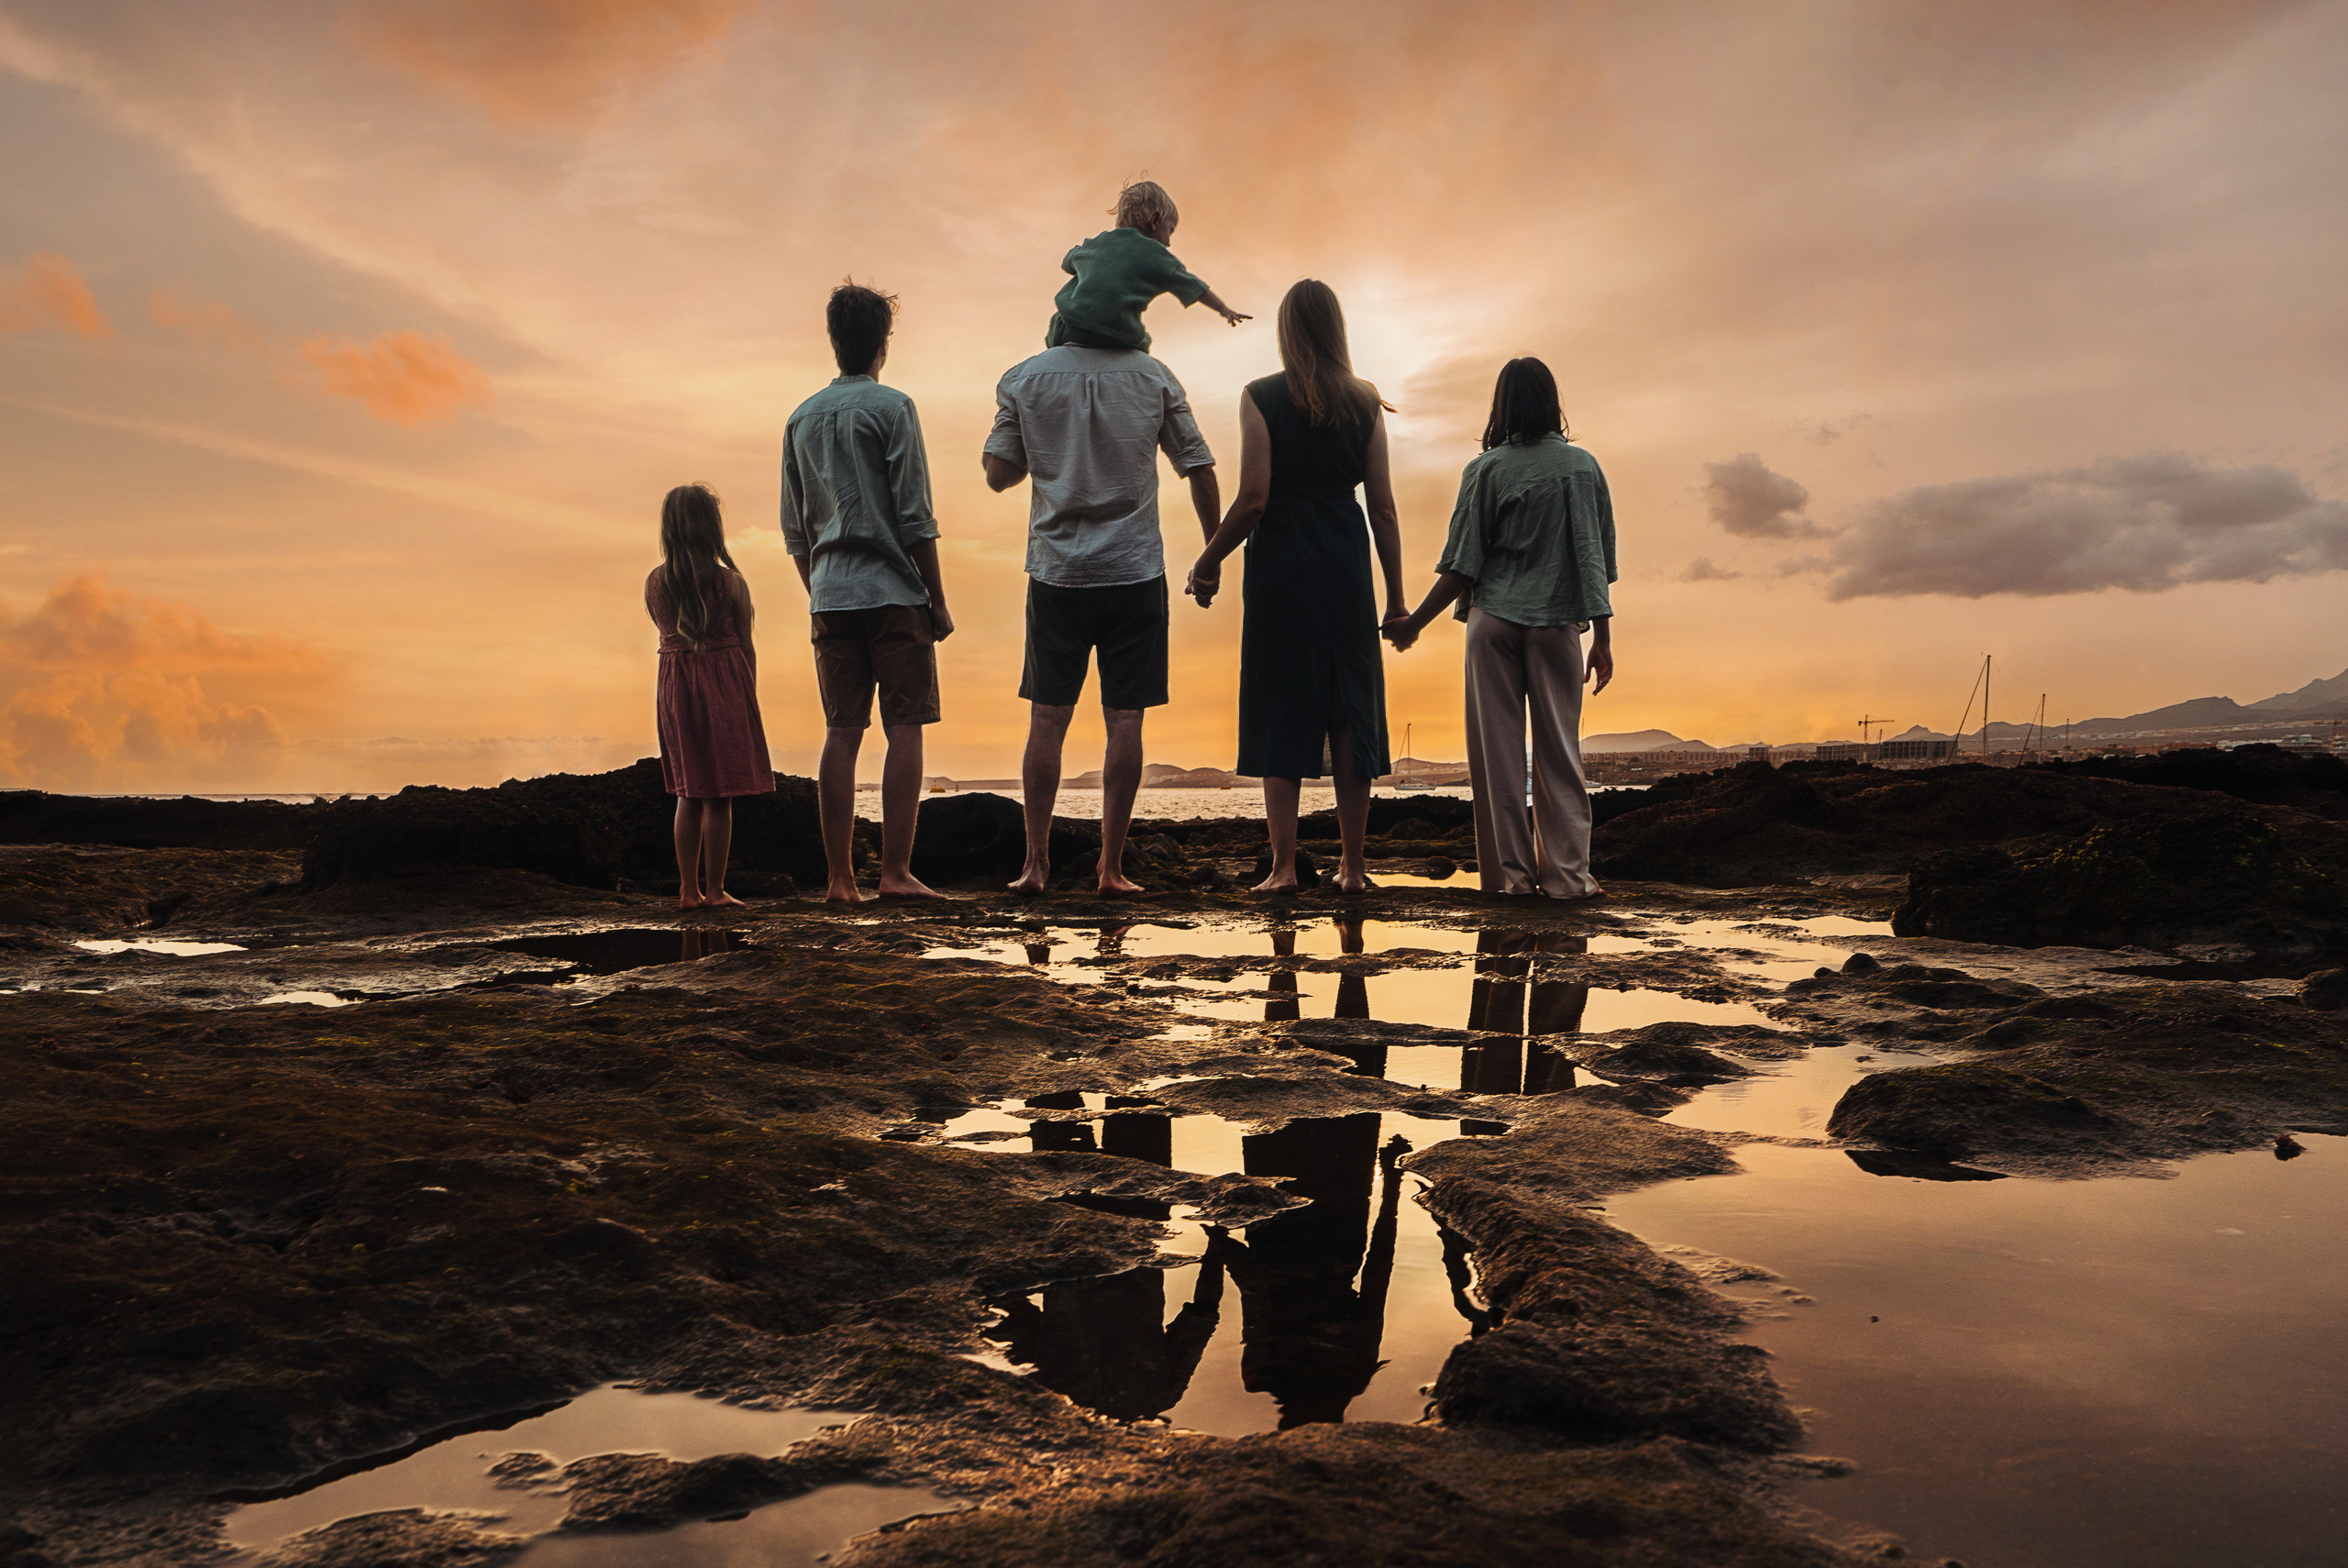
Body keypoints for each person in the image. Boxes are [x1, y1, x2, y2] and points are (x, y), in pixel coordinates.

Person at [1185, 280, 1403, 893]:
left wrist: (1207, 561)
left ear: (1285, 331)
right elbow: (1382, 508)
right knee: (1348, 708)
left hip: (1281, 562)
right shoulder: (1365, 402)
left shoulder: (1260, 396)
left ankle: (1283, 868)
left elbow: (1253, 498)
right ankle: (1353, 868)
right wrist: (1396, 597)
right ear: (1337, 329)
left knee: (1282, 703)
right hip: (1344, 561)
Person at [982, 336, 1220, 895]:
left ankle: (1035, 866)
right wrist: (1210, 558)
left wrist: (1043, 445)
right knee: (1126, 722)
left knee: (1046, 720)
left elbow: (998, 474)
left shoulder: (1025, 376)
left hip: (1055, 573)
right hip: (1134, 570)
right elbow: (1199, 467)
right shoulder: (1153, 374)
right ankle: (1111, 869)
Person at [1383, 357, 1617, 900]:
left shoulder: (1485, 470)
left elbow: (1463, 563)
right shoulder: (1584, 467)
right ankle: (1568, 880)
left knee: (1497, 759)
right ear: (1553, 401)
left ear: (1501, 405)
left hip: (1493, 623)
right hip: (1559, 621)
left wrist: (1414, 623)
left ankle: (1510, 881)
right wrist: (1602, 637)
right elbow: (1592, 557)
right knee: (1560, 751)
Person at [781, 282, 955, 903]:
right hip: (892, 592)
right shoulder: (894, 408)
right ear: (883, 342)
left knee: (841, 731)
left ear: (834, 341)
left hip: (830, 594)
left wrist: (820, 591)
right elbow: (915, 517)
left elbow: (795, 530)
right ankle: (896, 873)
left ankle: (838, 880)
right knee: (904, 726)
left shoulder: (800, 419)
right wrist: (936, 598)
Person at [646, 482, 774, 909]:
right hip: (724, 685)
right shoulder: (730, 583)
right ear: (711, 528)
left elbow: (664, 632)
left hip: (676, 686)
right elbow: (746, 644)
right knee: (720, 796)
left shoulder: (655, 583)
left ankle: (687, 891)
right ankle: (715, 890)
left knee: (688, 791)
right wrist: (748, 694)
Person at [1045, 179, 1249, 351]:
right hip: (1115, 333)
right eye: (1170, 231)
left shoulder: (1097, 243)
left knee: (1057, 319)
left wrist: (1078, 254)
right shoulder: (1157, 255)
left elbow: (1067, 262)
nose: (1169, 242)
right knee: (1144, 341)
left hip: (1068, 328)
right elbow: (1196, 288)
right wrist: (1224, 309)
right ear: (1155, 220)